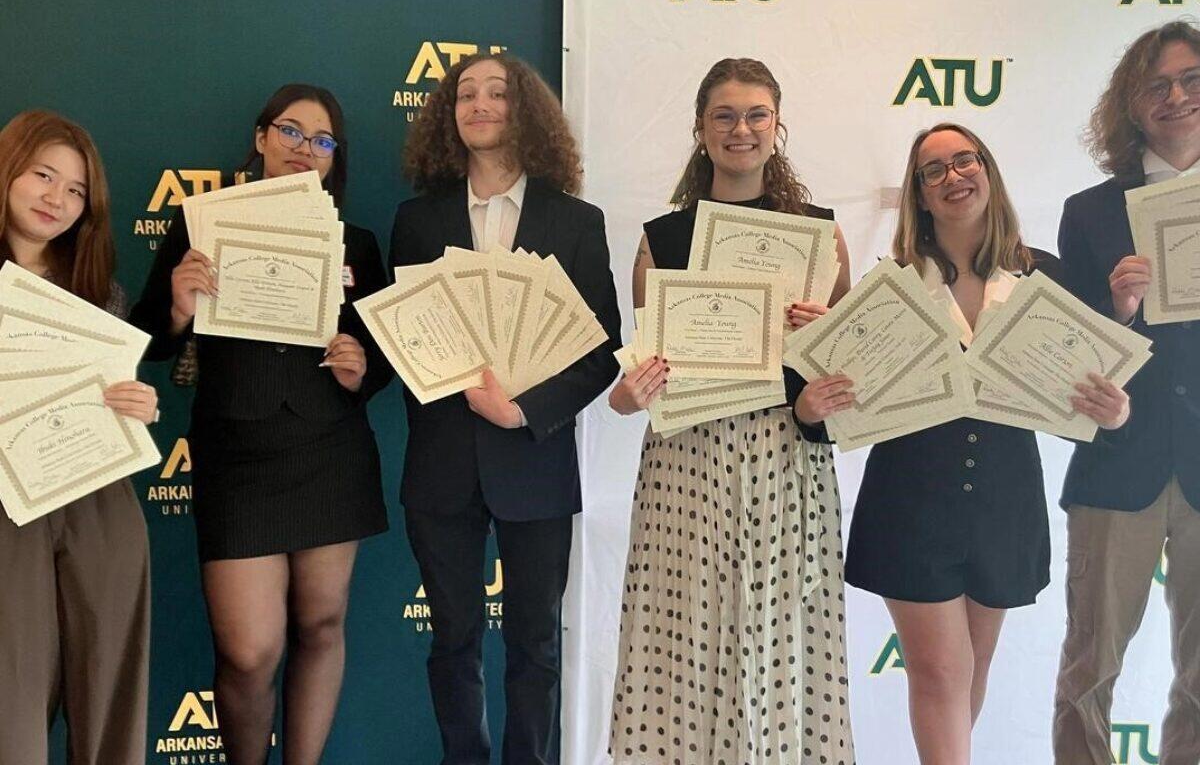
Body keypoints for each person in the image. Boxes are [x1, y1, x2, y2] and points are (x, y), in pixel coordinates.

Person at [842, 123, 1129, 765]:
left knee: (971, 667)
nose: (953, 177)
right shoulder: (893, 283)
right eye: (933, 170)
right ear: (919, 194)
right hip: (910, 501)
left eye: (964, 161)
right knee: (940, 672)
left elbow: (1087, 384)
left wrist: (1112, 410)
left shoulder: (1043, 275)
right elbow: (842, 393)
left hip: (1004, 500)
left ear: (988, 171)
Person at [129, 84, 389, 765]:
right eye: (291, 131)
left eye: (322, 140)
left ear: (334, 157)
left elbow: (387, 356)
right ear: (261, 137)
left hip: (330, 450)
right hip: (238, 456)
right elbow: (148, 342)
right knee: (249, 652)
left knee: (322, 624)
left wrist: (360, 368)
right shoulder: (201, 224)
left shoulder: (357, 243)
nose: (305, 148)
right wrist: (178, 307)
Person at [607, 57, 856, 765]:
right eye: (723, 115)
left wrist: (823, 343)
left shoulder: (820, 236)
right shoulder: (662, 240)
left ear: (777, 126)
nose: (740, 129)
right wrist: (631, 393)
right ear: (700, 128)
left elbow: (847, 373)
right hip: (687, 460)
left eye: (755, 115)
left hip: (786, 458)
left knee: (783, 635)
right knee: (683, 630)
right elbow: (643, 374)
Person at [390, 54, 621, 765]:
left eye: (497, 93)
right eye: (466, 94)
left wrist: (523, 412)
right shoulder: (417, 220)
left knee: (537, 645)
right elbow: (403, 339)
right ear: (449, 114)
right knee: (452, 640)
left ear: (527, 112)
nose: (480, 104)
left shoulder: (576, 222)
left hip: (535, 462)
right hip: (441, 465)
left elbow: (601, 350)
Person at [1053, 21, 1200, 765]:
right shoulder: (1090, 212)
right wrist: (1116, 311)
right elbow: (1065, 357)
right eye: (1157, 85)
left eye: (1192, 79)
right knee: (1089, 672)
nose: (1177, 96)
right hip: (1116, 464)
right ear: (1132, 105)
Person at [0, 109, 158, 764]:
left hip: (97, 497)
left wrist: (137, 405)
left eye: (75, 190)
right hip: (8, 506)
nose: (56, 199)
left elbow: (111, 399)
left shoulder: (100, 292)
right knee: (11, 698)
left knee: (111, 688)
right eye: (43, 175)